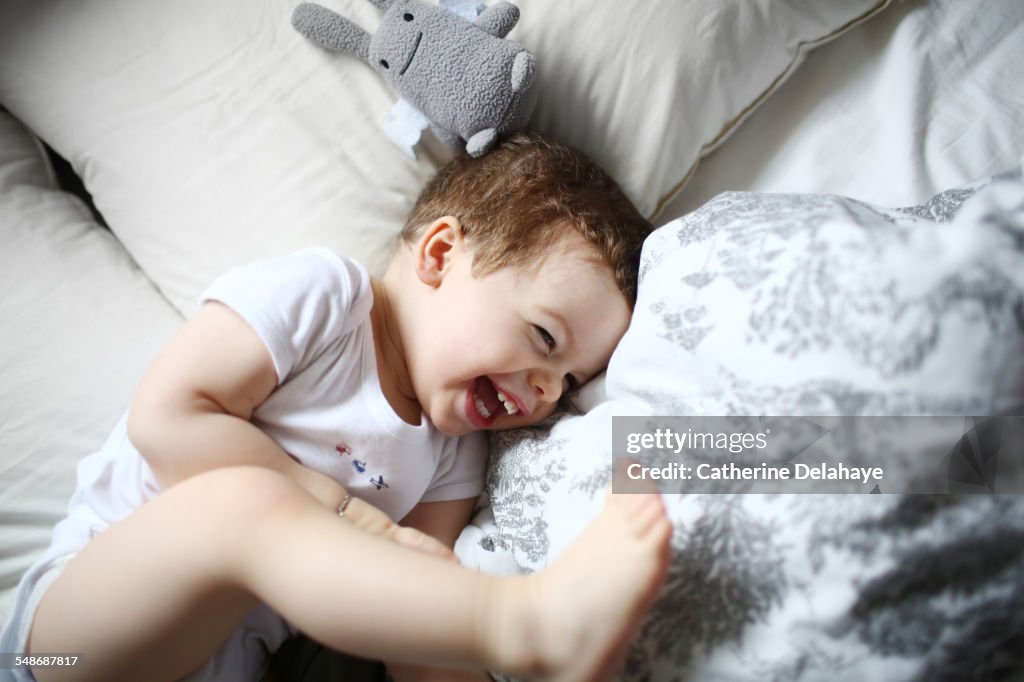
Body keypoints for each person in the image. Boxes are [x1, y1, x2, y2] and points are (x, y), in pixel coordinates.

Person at [2, 133, 672, 682]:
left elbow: (416, 614)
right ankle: (524, 626)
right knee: (247, 503)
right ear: (440, 255)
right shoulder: (325, 301)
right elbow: (167, 419)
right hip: (69, 639)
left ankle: (530, 634)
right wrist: (340, 509)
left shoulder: (453, 451)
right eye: (544, 338)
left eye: (570, 379)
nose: (548, 393)